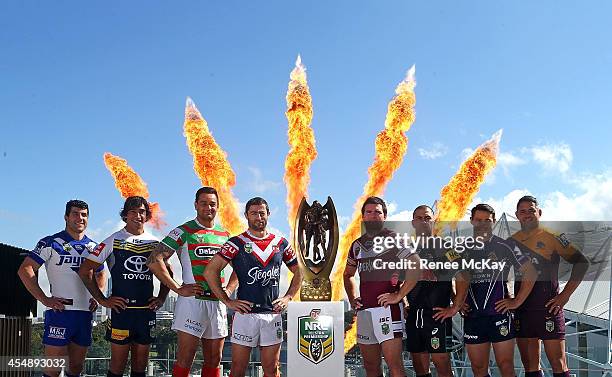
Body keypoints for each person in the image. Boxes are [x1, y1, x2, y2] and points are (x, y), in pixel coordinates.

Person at [204, 196, 301, 377]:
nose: (258, 217)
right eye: (254, 213)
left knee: (272, 370)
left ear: (268, 214)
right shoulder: (236, 243)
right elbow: (210, 271)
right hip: (244, 315)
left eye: (262, 213)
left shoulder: (281, 243)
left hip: (272, 314)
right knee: (238, 368)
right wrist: (227, 301)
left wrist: (288, 297)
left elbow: (299, 272)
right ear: (246, 215)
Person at [147, 186, 235, 377]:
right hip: (192, 303)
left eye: (212, 204)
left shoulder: (226, 235)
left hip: (218, 304)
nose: (208, 208)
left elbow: (241, 267)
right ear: (196, 205)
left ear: (218, 206)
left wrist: (228, 289)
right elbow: (154, 260)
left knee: (214, 360)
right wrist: (177, 288)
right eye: (203, 203)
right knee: (186, 359)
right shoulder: (184, 231)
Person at [79, 196, 168, 377]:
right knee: (117, 366)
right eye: (133, 212)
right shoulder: (112, 240)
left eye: (142, 212)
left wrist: (161, 298)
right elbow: (85, 270)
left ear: (147, 215)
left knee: (140, 367)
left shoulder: (154, 243)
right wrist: (102, 299)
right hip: (122, 313)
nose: (137, 216)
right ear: (125, 215)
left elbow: (169, 274)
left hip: (145, 312)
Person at [18, 200, 104, 377]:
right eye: (75, 213)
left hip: (84, 314)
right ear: (66, 216)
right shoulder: (50, 242)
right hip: (61, 313)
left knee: (76, 367)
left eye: (84, 215)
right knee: (53, 369)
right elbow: (25, 270)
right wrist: (44, 300)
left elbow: (101, 273)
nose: (80, 218)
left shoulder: (95, 247)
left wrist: (97, 297)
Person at [511, 196, 589, 377]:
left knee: (558, 365)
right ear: (517, 215)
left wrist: (565, 296)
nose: (527, 214)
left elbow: (581, 262)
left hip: (549, 308)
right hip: (523, 311)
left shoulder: (553, 237)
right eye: (522, 211)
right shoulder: (511, 242)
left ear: (539, 212)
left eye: (531, 210)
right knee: (530, 366)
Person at [343, 196, 420, 377]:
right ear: (363, 217)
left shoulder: (394, 238)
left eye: (377, 212)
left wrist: (398, 295)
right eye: (368, 212)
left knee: (395, 366)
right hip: (365, 312)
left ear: (384, 216)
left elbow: (416, 265)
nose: (373, 215)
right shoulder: (357, 245)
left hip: (388, 310)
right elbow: (347, 275)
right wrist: (353, 298)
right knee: (371, 367)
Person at [462, 203, 537, 377]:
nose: (483, 224)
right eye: (478, 220)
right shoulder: (461, 247)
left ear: (494, 222)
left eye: (487, 220)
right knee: (478, 369)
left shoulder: (505, 245)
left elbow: (531, 272)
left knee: (506, 366)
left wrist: (517, 301)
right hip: (473, 316)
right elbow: (443, 274)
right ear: (471, 221)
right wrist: (457, 301)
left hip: (499, 314)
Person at [405, 205, 468, 377]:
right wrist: (402, 302)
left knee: (442, 366)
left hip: (437, 315)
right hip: (414, 316)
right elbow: (396, 280)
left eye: (427, 218)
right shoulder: (406, 249)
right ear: (413, 222)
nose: (423, 221)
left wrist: (455, 306)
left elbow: (463, 274)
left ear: (434, 222)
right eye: (419, 218)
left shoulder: (445, 247)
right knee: (419, 367)